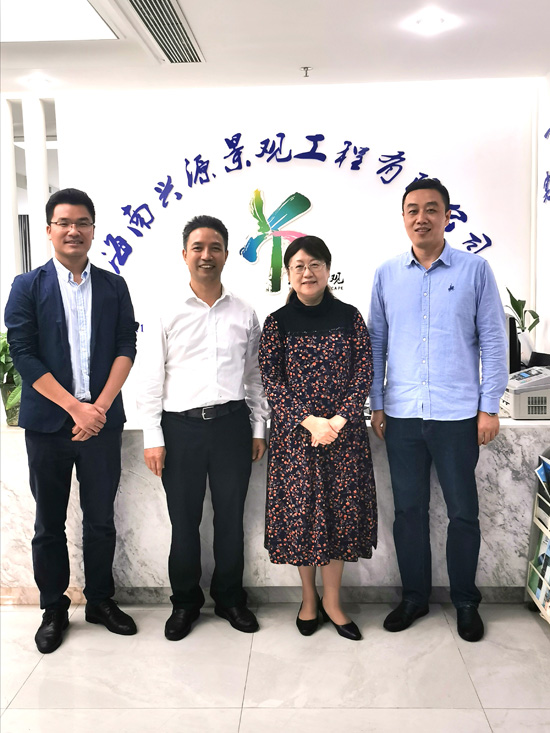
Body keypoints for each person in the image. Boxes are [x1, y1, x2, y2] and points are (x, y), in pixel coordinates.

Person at [368, 178, 508, 642]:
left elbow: (493, 339)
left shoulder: (475, 270)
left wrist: (489, 407)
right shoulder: (387, 274)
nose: (421, 217)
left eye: (431, 209)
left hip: (457, 416)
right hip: (403, 415)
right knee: (409, 513)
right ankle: (414, 598)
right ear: (403, 218)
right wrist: (377, 403)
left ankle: (466, 601)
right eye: (413, 210)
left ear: (448, 216)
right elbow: (376, 344)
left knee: (463, 512)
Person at [4, 188, 138, 654]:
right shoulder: (27, 286)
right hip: (48, 425)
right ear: (48, 230)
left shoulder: (114, 286)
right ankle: (53, 607)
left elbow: (126, 345)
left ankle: (100, 601)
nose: (73, 230)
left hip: (101, 422)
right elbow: (23, 353)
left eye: (82, 222)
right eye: (63, 222)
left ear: (93, 230)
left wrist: (97, 408)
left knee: (101, 519)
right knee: (49, 522)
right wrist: (75, 408)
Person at [138, 215, 269, 640]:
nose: (206, 255)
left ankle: (230, 598)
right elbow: (150, 377)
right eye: (198, 247)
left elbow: (255, 376)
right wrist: (153, 437)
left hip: (232, 426)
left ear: (227, 254)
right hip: (181, 430)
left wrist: (258, 428)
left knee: (231, 518)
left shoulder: (244, 312)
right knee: (184, 521)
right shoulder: (165, 310)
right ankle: (185, 603)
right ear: (184, 255)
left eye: (215, 247)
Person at [258, 236, 377, 641]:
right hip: (297, 440)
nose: (307, 273)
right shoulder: (276, 323)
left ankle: (333, 601)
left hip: (344, 439)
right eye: (298, 266)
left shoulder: (350, 317)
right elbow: (271, 381)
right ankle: (308, 599)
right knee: (303, 520)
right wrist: (310, 422)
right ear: (288, 274)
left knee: (340, 518)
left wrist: (338, 421)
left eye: (314, 264)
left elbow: (364, 372)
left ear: (327, 269)